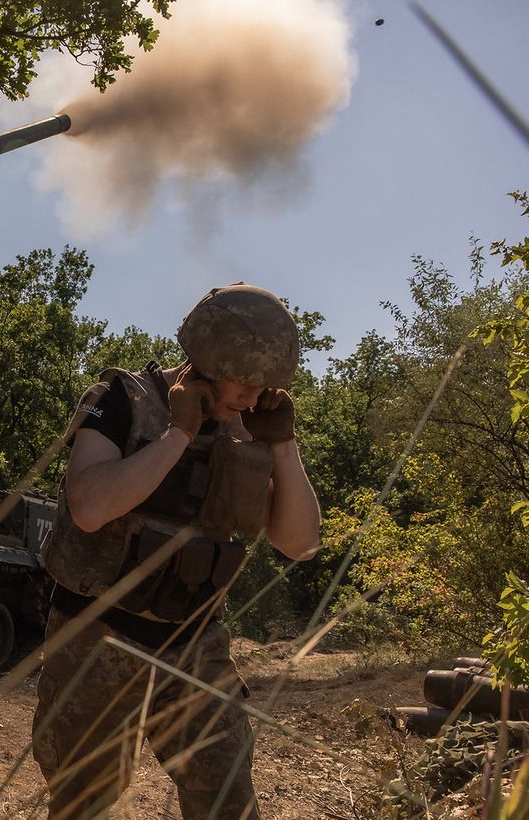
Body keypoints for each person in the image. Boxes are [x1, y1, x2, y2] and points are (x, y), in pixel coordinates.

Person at [33, 283, 321, 820]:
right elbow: (90, 507)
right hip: (98, 641)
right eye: (248, 380)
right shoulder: (120, 401)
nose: (256, 398)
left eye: (267, 387)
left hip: (194, 649)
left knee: (227, 799)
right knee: (84, 804)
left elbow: (300, 543)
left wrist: (283, 444)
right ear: (211, 356)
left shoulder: (249, 430)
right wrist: (178, 434)